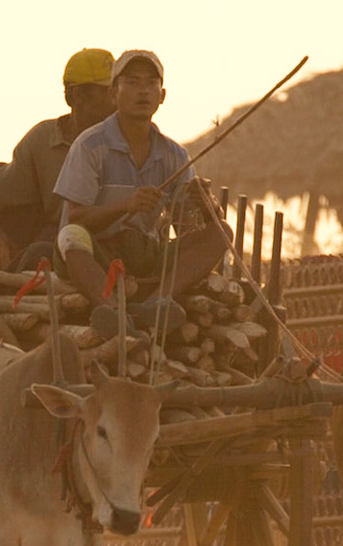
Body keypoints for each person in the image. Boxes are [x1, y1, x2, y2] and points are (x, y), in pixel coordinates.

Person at [52, 50, 228, 337]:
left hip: (144, 254)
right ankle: (110, 307)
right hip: (97, 253)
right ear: (114, 94)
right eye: (132, 82)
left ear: (162, 95)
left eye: (151, 83)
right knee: (70, 236)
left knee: (221, 233)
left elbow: (185, 227)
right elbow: (76, 217)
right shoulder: (90, 145)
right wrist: (126, 206)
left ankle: (154, 303)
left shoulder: (174, 155)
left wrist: (206, 207)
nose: (143, 91)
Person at [0, 48, 116, 270]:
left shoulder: (129, 139)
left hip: (113, 245)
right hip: (65, 244)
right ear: (76, 96)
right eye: (106, 91)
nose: (115, 98)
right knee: (10, 210)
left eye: (117, 89)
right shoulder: (44, 139)